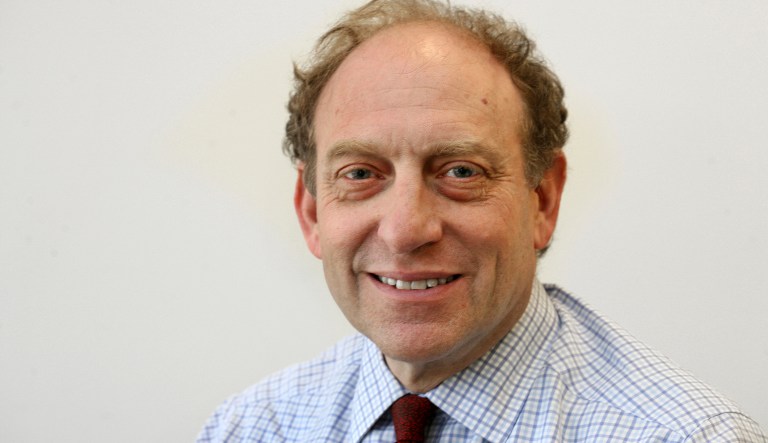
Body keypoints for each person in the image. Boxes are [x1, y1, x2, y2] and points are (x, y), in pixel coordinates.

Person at [197, 0, 767, 441]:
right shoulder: (250, 429)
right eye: (361, 174)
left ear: (542, 199)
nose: (405, 229)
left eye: (461, 172)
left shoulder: (684, 435)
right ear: (313, 211)